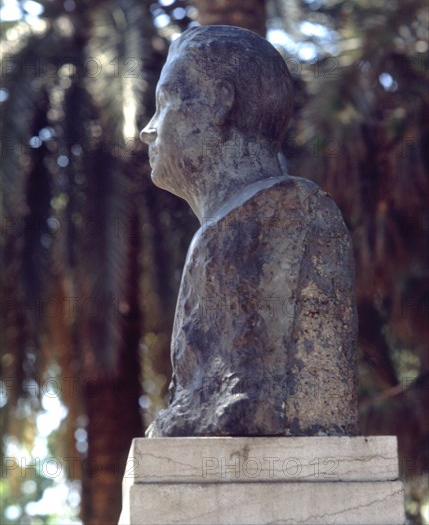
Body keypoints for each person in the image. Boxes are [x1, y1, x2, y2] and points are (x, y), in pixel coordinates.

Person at [140, 25, 359, 437]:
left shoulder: (278, 211)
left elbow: (247, 406)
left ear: (221, 102)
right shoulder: (223, 228)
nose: (147, 130)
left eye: (164, 102)